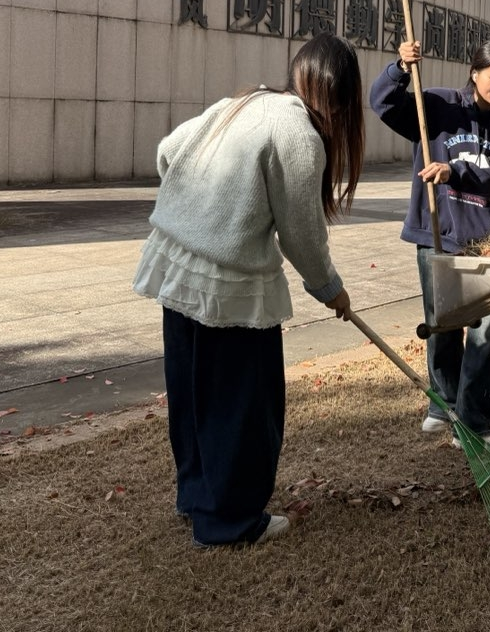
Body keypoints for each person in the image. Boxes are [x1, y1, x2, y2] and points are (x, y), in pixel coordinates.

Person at [132, 33, 364, 547]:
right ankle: (229, 521)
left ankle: (197, 500)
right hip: (230, 287)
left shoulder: (242, 102)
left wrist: (198, 210)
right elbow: (302, 233)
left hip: (177, 269)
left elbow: (168, 152)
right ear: (342, 97)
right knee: (242, 406)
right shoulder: (299, 133)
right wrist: (330, 289)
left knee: (194, 399)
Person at [371, 35, 490, 453]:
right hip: (436, 233)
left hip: (488, 242)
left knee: (486, 331)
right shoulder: (437, 105)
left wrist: (454, 171)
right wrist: (399, 69)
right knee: (442, 325)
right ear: (475, 73)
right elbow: (383, 103)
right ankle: (445, 405)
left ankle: (480, 422)